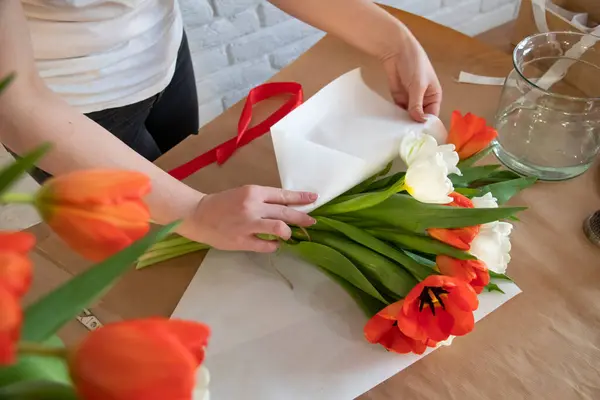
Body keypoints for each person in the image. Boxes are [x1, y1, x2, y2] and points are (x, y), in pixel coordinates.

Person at [0, 0, 442, 253]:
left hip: (163, 56)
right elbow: (16, 103)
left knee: (203, 189)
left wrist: (393, 41)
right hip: (69, 111)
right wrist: (192, 212)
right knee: (148, 245)